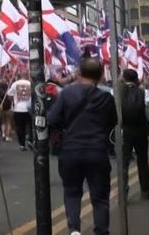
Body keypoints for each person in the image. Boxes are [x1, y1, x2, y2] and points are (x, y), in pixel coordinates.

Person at [47, 58, 117, 235]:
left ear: (79, 73)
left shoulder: (66, 94)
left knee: (72, 192)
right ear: (101, 75)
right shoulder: (106, 97)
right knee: (100, 198)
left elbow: (52, 119)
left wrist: (66, 127)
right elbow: (113, 121)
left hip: (71, 150)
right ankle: (101, 231)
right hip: (97, 150)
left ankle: (74, 230)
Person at [119, 69, 149, 200]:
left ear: (124, 78)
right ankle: (145, 189)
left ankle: (123, 191)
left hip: (124, 130)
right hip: (140, 130)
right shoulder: (144, 92)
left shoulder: (117, 92)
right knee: (142, 160)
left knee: (124, 161)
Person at [7, 78, 32, 150]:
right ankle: (30, 139)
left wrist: (13, 101)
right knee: (31, 126)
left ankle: (22, 144)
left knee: (20, 127)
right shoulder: (30, 83)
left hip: (18, 109)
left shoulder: (15, 84)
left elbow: (9, 94)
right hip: (28, 109)